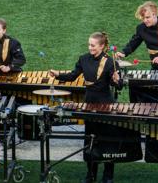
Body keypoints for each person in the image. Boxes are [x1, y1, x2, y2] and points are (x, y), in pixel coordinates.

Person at [49, 32, 125, 183]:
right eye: (89, 45)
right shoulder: (83, 58)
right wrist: (57, 74)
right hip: (89, 103)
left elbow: (119, 86)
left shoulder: (110, 62)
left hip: (106, 104)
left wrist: (117, 80)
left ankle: (108, 175)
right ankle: (90, 174)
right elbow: (72, 76)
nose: (90, 48)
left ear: (102, 46)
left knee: (108, 141)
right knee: (90, 140)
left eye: (93, 45)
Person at [115, 1, 158, 70]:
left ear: (155, 14)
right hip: (156, 68)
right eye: (143, 18)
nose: (145, 21)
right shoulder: (141, 28)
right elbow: (134, 42)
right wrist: (123, 52)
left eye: (147, 17)